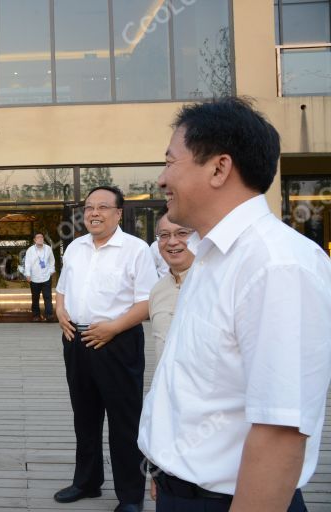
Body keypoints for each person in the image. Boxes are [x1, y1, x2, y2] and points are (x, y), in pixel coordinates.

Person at [139, 97, 331, 512]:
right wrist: (165, 467)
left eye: (170, 162)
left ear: (219, 168)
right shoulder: (211, 256)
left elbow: (280, 434)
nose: (160, 179)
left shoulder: (275, 265)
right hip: (180, 490)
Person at [54, 186, 157, 512]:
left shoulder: (136, 249)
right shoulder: (75, 248)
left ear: (118, 213)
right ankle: (87, 482)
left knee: (124, 421)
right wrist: (59, 311)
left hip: (118, 341)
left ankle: (130, 497)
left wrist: (113, 327)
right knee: (84, 417)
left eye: (102, 207)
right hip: (77, 341)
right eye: (88, 208)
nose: (93, 213)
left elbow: (147, 302)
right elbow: (62, 290)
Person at [148, 208, 194, 364]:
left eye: (182, 233)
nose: (172, 241)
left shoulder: (218, 284)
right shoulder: (157, 291)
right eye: (164, 235)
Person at [23, 232, 56, 322]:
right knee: (35, 297)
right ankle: (36, 316)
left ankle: (49, 315)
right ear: (34, 240)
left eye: (41, 237)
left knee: (47, 297)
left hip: (46, 276)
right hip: (34, 277)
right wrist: (28, 274)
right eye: (38, 237)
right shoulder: (30, 250)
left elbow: (52, 260)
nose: (40, 238)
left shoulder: (48, 249)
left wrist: (51, 270)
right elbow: (27, 263)